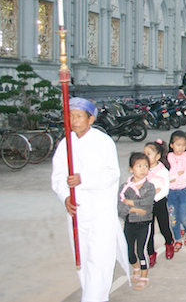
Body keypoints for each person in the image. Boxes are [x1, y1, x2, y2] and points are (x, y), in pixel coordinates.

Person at [51, 97, 129, 301]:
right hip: (77, 212)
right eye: (70, 116)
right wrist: (65, 197)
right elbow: (58, 177)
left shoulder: (103, 142)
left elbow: (112, 174)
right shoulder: (64, 145)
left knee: (100, 259)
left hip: (100, 212)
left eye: (78, 116)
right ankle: (91, 295)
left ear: (91, 119)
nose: (74, 121)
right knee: (83, 260)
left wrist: (82, 179)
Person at [118, 152, 155, 290]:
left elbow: (147, 205)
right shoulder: (124, 187)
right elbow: (120, 207)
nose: (143, 169)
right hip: (129, 223)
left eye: (146, 166)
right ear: (130, 169)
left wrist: (130, 202)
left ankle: (144, 276)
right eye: (139, 166)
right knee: (128, 251)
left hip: (144, 223)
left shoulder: (149, 187)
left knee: (141, 251)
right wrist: (134, 209)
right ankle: (136, 267)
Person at [144, 139, 175, 263]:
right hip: (146, 204)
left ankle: (169, 243)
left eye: (148, 153)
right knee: (148, 231)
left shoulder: (163, 171)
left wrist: (153, 197)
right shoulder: (142, 169)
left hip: (159, 203)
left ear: (157, 156)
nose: (145, 156)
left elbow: (165, 190)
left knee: (164, 227)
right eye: (144, 153)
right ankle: (151, 253)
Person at [167, 130, 186, 251]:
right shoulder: (169, 157)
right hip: (171, 192)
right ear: (171, 145)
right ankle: (177, 239)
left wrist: (176, 177)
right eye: (178, 145)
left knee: (184, 216)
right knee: (173, 218)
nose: (181, 148)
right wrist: (175, 175)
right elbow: (169, 173)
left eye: (183, 145)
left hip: (184, 191)